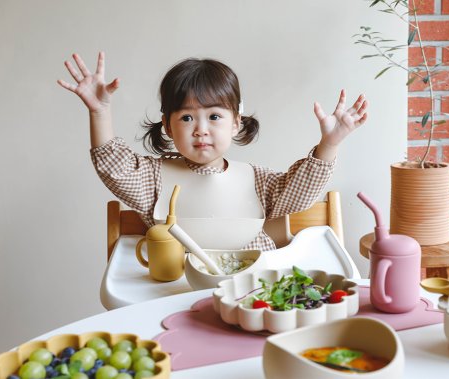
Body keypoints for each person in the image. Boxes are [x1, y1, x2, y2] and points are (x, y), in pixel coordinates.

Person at [58, 52, 368, 251]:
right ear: (167, 125)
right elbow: (116, 169)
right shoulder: (152, 179)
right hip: (177, 293)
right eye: (187, 117)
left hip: (250, 291)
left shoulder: (257, 180)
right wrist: (99, 113)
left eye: (214, 116)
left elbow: (300, 192)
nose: (201, 128)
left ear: (236, 123)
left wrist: (329, 144)